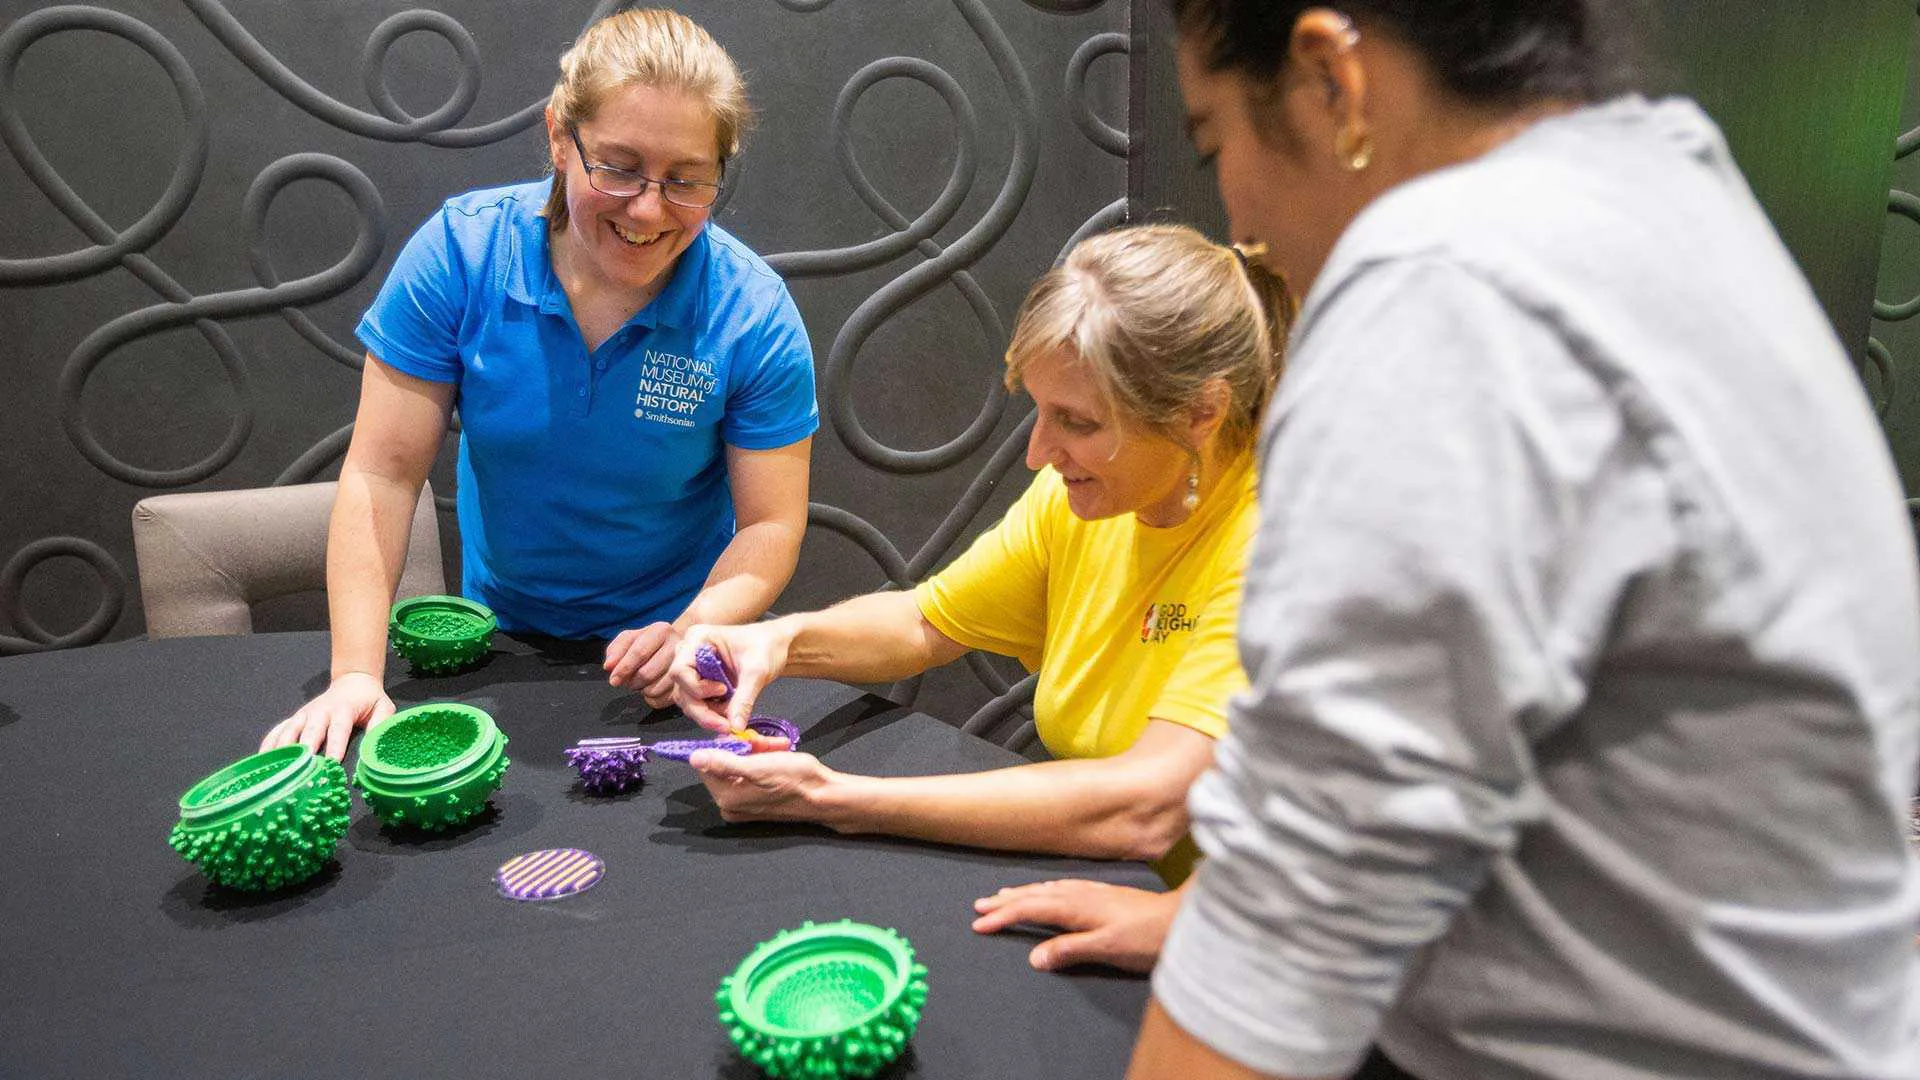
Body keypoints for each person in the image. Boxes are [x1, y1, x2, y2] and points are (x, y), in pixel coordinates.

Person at [987, 4, 1920, 1079]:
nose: (1238, 221)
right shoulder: (1659, 191)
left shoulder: (1447, 296)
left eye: (1215, 139)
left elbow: (1291, 930)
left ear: (1333, 79)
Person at [262, 10, 817, 761]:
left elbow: (769, 527)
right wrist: (355, 672)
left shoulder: (751, 312)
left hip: (672, 661)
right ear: (560, 137)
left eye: (687, 180)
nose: (649, 208)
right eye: (618, 167)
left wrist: (693, 629)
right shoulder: (462, 253)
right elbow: (382, 475)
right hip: (502, 643)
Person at [665, 224, 1290, 881]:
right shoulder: (1080, 501)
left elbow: (1145, 806)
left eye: (1078, 422)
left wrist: (831, 798)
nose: (1038, 454)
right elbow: (924, 624)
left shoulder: (1284, 549)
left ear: (1201, 412)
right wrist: (779, 643)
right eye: (1041, 412)